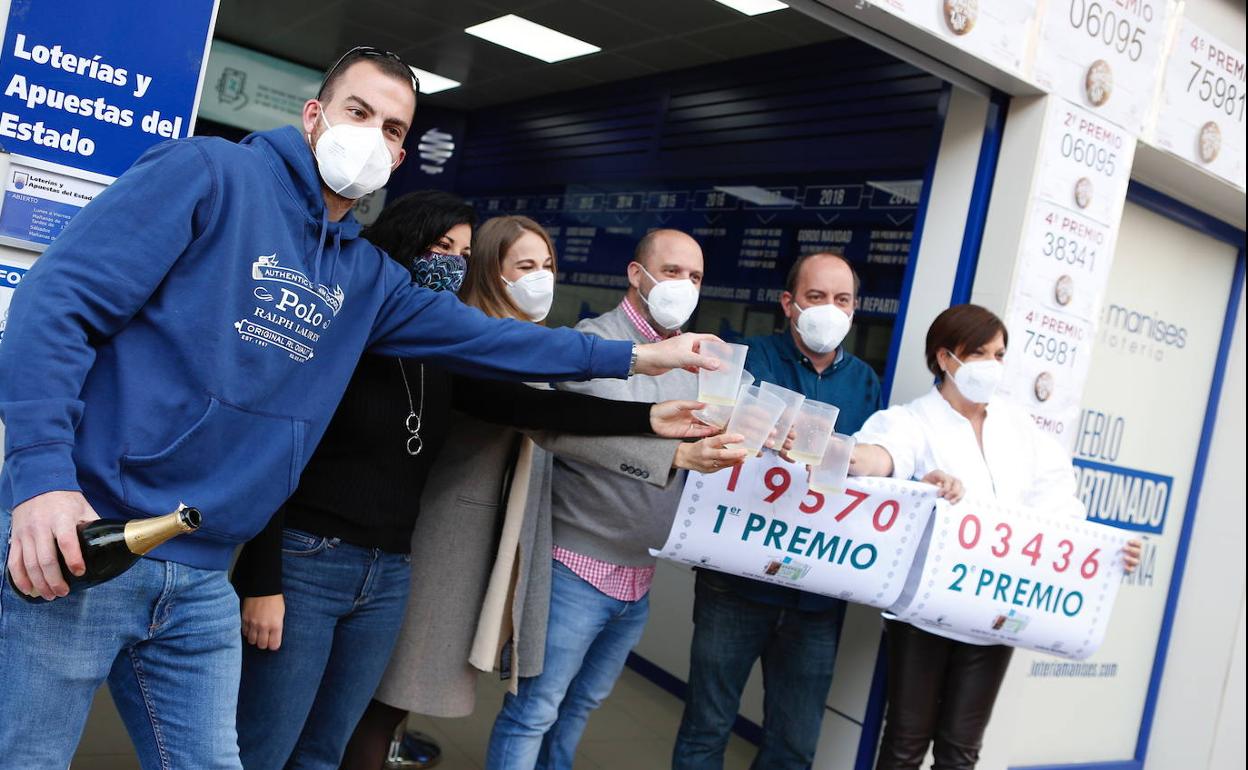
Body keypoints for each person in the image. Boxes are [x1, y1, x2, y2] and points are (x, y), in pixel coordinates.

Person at [0, 48, 713, 770]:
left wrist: (634, 358)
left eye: (395, 129)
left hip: (201, 572)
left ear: (403, 155)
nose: (375, 136)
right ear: (314, 116)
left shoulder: (367, 279)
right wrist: (41, 479)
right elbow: (55, 308)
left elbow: (489, 341)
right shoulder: (208, 175)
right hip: (86, 535)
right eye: (359, 112)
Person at [230, 204, 720, 768]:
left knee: (328, 742)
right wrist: (262, 578)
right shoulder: (342, 335)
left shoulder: (444, 353)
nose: (451, 266)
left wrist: (652, 422)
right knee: (268, 743)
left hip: (388, 570)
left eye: (463, 255)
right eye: (441, 248)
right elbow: (276, 455)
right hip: (311, 559)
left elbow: (530, 407)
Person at [485, 229, 748, 770]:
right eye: (672, 272)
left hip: (639, 578)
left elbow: (733, 426)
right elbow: (586, 437)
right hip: (575, 570)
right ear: (636, 274)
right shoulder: (596, 343)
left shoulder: (697, 361)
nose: (684, 286)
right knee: (534, 711)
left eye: (695, 277)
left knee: (581, 707)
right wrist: (670, 456)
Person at [848, 303, 1142, 770]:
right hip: (924, 610)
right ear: (945, 359)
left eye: (999, 354)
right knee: (905, 743)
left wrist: (1106, 549)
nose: (992, 365)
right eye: (979, 353)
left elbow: (1060, 508)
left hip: (996, 610)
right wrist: (850, 457)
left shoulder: (1018, 427)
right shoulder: (913, 420)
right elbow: (879, 460)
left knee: (961, 751)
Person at [673, 251, 889, 770]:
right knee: (706, 728)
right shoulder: (749, 360)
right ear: (789, 303)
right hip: (735, 584)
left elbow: (869, 472)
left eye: (843, 300)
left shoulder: (865, 382)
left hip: (814, 596)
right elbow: (715, 430)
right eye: (817, 297)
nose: (830, 310)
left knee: (794, 745)